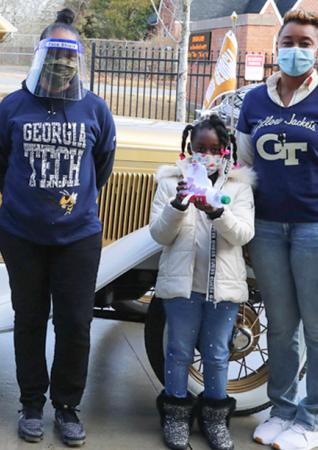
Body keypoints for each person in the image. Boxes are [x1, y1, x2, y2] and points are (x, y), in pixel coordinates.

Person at [0, 7, 116, 447]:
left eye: (70, 56)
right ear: (40, 56)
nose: (62, 63)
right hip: (21, 235)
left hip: (77, 237)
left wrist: (69, 203)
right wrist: (29, 203)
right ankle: (30, 403)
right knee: (29, 319)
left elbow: (101, 168)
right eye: (55, 54)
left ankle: (66, 406)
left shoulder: (96, 109)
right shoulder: (13, 107)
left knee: (75, 323)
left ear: (79, 60)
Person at [236, 9, 318, 450]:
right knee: (281, 328)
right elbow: (244, 167)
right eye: (289, 42)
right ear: (276, 45)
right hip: (266, 227)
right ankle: (282, 410)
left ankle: (311, 420)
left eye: (305, 43)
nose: (295, 50)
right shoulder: (254, 101)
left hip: (313, 229)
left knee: (316, 329)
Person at [150, 115, 255, 450]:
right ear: (189, 148)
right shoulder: (171, 182)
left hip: (223, 289)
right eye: (200, 148)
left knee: (217, 354)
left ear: (225, 150)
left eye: (214, 149)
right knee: (178, 351)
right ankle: (176, 416)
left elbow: (243, 234)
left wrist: (216, 212)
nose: (206, 155)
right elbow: (159, 234)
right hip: (182, 286)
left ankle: (214, 419)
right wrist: (178, 205)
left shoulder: (238, 187)